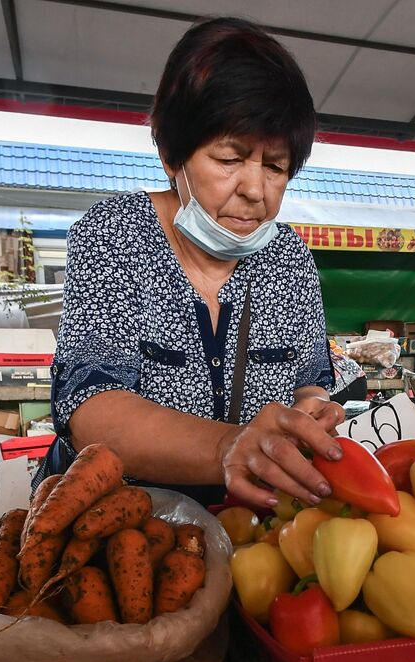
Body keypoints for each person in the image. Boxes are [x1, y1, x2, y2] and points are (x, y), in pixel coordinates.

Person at [44, 17, 345, 509]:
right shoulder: (115, 234)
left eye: (275, 167)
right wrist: (229, 446)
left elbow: (309, 382)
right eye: (230, 159)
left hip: (249, 527)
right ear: (171, 154)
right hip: (121, 524)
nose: (255, 189)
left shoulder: (289, 258)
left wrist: (310, 415)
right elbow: (91, 408)